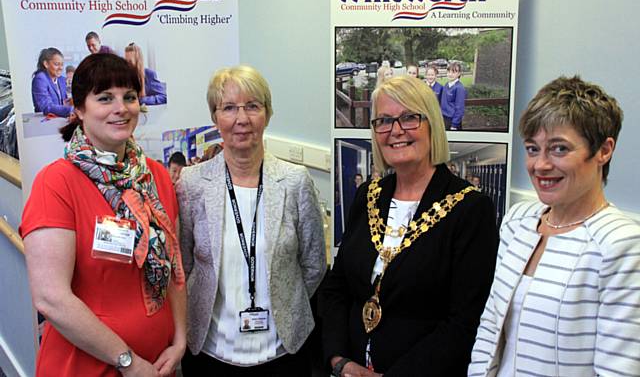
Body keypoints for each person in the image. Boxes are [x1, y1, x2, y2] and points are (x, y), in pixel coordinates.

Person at [20, 53, 186, 377]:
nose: (121, 108)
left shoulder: (155, 177)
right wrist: (128, 361)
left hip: (158, 364)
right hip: (87, 366)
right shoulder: (56, 184)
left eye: (129, 97)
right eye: (105, 98)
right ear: (79, 109)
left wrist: (180, 339)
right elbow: (50, 298)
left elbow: (173, 263)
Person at [321, 75, 498, 376]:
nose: (396, 131)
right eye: (384, 121)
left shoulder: (470, 208)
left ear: (432, 125)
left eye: (409, 118)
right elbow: (337, 287)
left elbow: (465, 321)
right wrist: (339, 360)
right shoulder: (368, 195)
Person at [469, 76, 640, 376]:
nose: (541, 165)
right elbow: (489, 331)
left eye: (559, 149)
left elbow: (619, 370)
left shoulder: (622, 244)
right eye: (533, 149)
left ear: (604, 150)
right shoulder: (517, 222)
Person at [177, 65, 327, 376]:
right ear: (215, 118)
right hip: (211, 352)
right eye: (229, 107)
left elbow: (313, 265)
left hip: (283, 352)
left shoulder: (295, 181)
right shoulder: (191, 183)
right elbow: (185, 264)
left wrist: (286, 303)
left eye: (252, 106)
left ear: (268, 114)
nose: (241, 119)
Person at [31, 47, 72, 117]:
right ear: (46, 64)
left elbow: (65, 101)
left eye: (62, 64)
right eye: (57, 64)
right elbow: (46, 107)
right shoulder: (40, 79)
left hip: (61, 120)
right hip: (45, 123)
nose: (61, 68)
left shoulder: (61, 80)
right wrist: (72, 110)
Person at [441, 62, 467, 130]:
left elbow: (460, 108)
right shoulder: (446, 85)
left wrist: (454, 124)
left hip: (452, 120)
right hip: (444, 118)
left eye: (453, 72)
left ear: (459, 73)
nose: (450, 74)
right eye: (449, 71)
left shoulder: (459, 88)